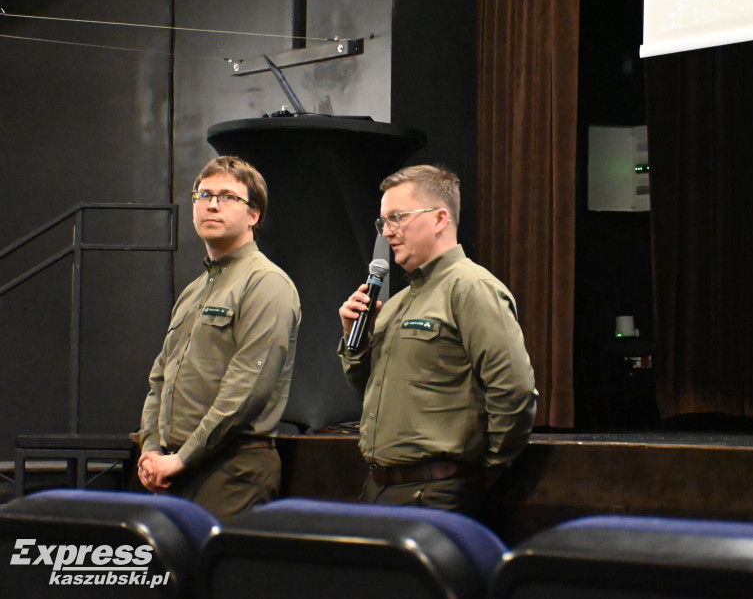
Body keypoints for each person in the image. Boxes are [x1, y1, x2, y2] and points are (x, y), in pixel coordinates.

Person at [338, 164, 537, 517]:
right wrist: (355, 338)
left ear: (440, 218)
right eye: (383, 222)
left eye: (397, 217)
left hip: (437, 494)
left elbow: (514, 391)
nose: (388, 232)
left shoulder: (471, 288)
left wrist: (483, 471)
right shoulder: (396, 302)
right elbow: (372, 394)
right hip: (379, 488)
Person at [137, 155, 301, 520]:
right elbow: (159, 378)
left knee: (215, 576)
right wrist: (151, 450)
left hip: (232, 469)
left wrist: (181, 458)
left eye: (228, 196)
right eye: (204, 194)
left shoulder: (266, 283)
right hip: (174, 469)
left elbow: (247, 389)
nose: (212, 203)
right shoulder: (194, 291)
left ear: (253, 215)